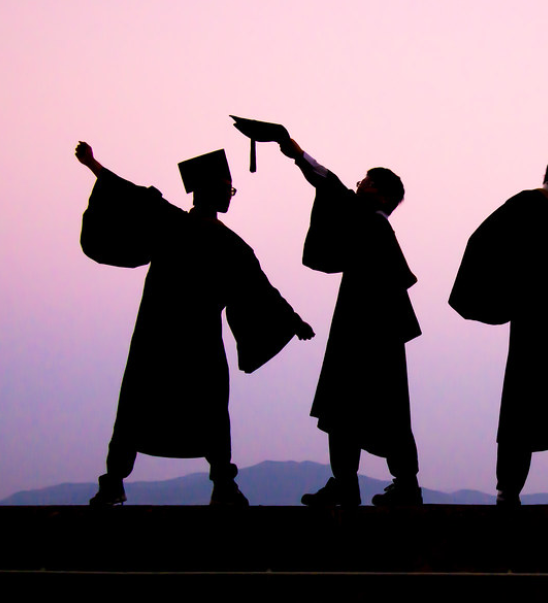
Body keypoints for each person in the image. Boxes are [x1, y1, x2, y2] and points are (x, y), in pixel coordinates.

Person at [76, 142, 314, 507]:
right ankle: (118, 481)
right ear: (205, 191)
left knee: (198, 412)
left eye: (231, 190)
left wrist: (292, 319)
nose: (229, 196)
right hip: (169, 339)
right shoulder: (178, 225)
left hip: (183, 339)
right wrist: (94, 165)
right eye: (226, 188)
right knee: (146, 410)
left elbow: (259, 287)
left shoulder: (216, 240)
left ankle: (218, 483)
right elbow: (128, 192)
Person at [450, 132, 548, 507]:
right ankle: (508, 489)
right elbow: (483, 243)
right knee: (523, 406)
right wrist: (510, 297)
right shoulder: (526, 204)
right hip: (535, 327)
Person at [266, 129, 423, 507]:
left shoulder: (372, 224)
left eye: (366, 184)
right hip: (370, 332)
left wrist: (293, 149)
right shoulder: (371, 226)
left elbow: (329, 185)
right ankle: (365, 484)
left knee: (355, 408)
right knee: (359, 410)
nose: (358, 188)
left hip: (368, 335)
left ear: (383, 196)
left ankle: (389, 485)